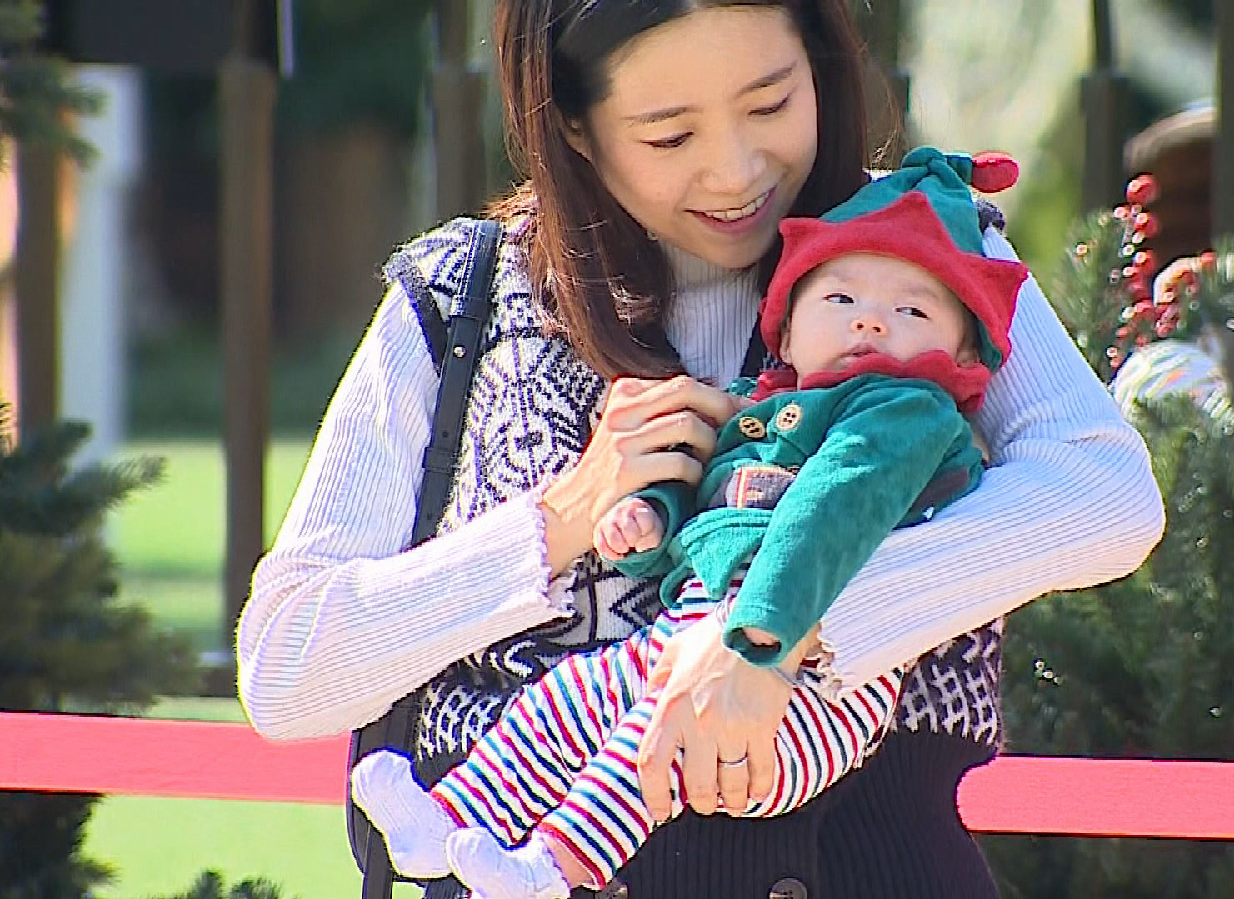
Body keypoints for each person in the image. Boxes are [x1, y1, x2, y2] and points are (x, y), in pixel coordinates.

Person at [236, 2, 1165, 897]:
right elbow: (287, 672)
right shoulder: (460, 301)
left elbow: (1106, 495)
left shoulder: (920, 259)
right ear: (575, 126)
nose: (735, 170)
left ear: (821, 66)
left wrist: (777, 632)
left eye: (771, 103)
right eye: (669, 135)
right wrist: (555, 525)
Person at [347, 146, 1031, 899]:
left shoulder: (905, 411)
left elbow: (830, 506)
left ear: (962, 355)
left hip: (824, 688)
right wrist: (646, 523)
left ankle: (552, 866)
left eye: (912, 310)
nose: (871, 318)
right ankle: (450, 815)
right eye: (839, 299)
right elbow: (713, 495)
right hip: (698, 630)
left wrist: (759, 636)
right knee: (572, 699)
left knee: (648, 743)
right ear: (790, 327)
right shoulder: (768, 408)